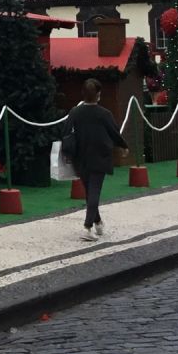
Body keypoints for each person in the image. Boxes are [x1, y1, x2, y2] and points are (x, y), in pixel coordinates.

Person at [63, 78, 128, 241]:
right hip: (100, 156)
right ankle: (87, 227)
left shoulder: (74, 112)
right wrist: (123, 146)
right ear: (98, 94)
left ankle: (98, 222)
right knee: (94, 191)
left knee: (90, 191)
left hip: (80, 156)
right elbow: (114, 132)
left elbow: (65, 131)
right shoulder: (104, 114)